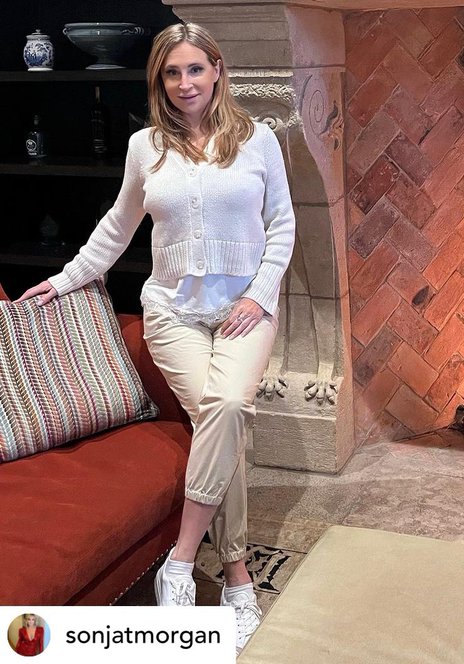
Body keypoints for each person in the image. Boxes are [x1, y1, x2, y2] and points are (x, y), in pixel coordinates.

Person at [17, 22, 295, 653]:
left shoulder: (258, 139)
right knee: (222, 420)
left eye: (195, 69)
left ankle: (181, 560)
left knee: (227, 407)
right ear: (159, 82)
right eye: (172, 73)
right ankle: (238, 579)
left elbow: (282, 226)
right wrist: (62, 280)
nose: (185, 83)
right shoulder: (145, 147)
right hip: (173, 314)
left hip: (245, 312)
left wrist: (258, 295)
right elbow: (116, 229)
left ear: (218, 71)